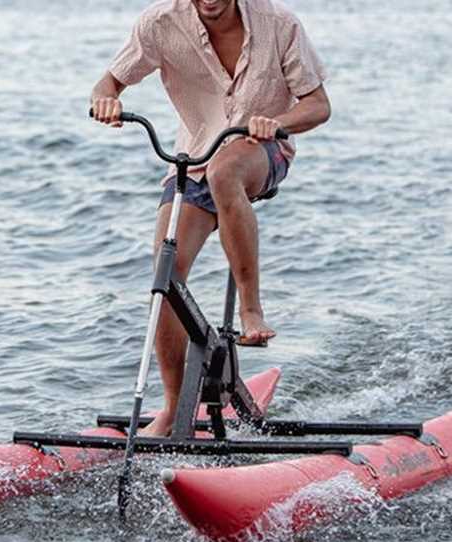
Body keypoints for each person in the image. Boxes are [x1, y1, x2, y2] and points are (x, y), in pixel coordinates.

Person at [90, 0, 331, 436]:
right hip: (194, 159)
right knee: (166, 274)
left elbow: (317, 105)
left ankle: (251, 311)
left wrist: (276, 122)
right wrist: (105, 99)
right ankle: (171, 407)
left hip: (261, 153)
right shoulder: (159, 23)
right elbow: (109, 81)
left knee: (226, 171)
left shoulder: (279, 24)